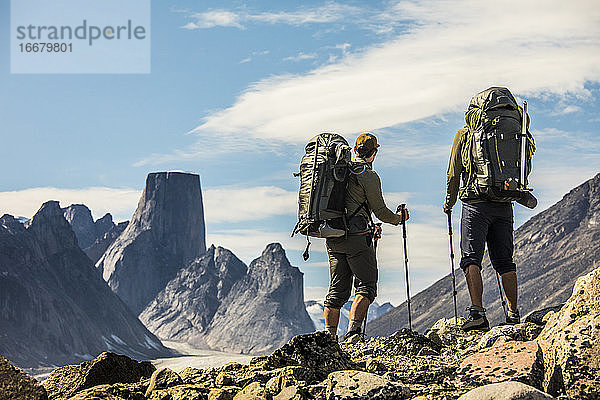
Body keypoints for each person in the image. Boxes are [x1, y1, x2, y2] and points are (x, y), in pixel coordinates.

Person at [323, 132, 409, 341]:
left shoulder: (338, 171)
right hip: (357, 239)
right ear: (375, 152)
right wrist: (399, 219)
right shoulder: (368, 176)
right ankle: (353, 334)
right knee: (366, 286)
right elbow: (380, 211)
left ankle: (329, 339)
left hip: (333, 236)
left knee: (336, 293)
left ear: (354, 150)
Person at [443, 127, 521, 332]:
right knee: (505, 261)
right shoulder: (511, 130)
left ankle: (477, 313)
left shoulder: (465, 134)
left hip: (475, 204)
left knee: (471, 258)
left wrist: (449, 202)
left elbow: (454, 171)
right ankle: (514, 314)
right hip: (504, 202)